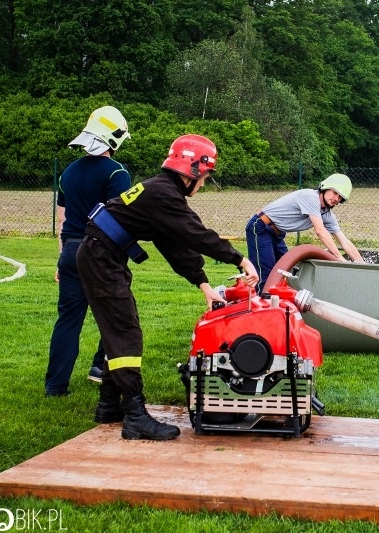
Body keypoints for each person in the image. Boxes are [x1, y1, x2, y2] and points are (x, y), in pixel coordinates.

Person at [77, 134, 260, 440]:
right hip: (101, 258)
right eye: (204, 177)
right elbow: (196, 234)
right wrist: (239, 259)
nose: (203, 185)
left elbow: (174, 245)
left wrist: (203, 283)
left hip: (102, 255)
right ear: (192, 170)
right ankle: (135, 416)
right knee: (125, 333)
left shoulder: (160, 191)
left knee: (117, 329)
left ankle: (109, 405)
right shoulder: (164, 195)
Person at [46, 106, 132, 397]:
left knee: (68, 320)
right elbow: (116, 220)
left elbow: (63, 221)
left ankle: (55, 386)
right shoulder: (117, 172)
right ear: (114, 138)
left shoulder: (68, 172)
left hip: (70, 251)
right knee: (117, 313)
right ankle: (99, 367)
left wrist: (61, 259)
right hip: (99, 252)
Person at [246, 173, 364, 292]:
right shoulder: (310, 197)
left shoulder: (327, 215)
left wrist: (361, 264)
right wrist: (339, 258)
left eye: (340, 197)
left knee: (287, 270)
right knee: (265, 275)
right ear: (325, 188)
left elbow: (344, 241)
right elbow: (320, 231)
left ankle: (278, 299)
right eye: (334, 192)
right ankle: (262, 300)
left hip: (277, 234)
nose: (336, 198)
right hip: (260, 227)